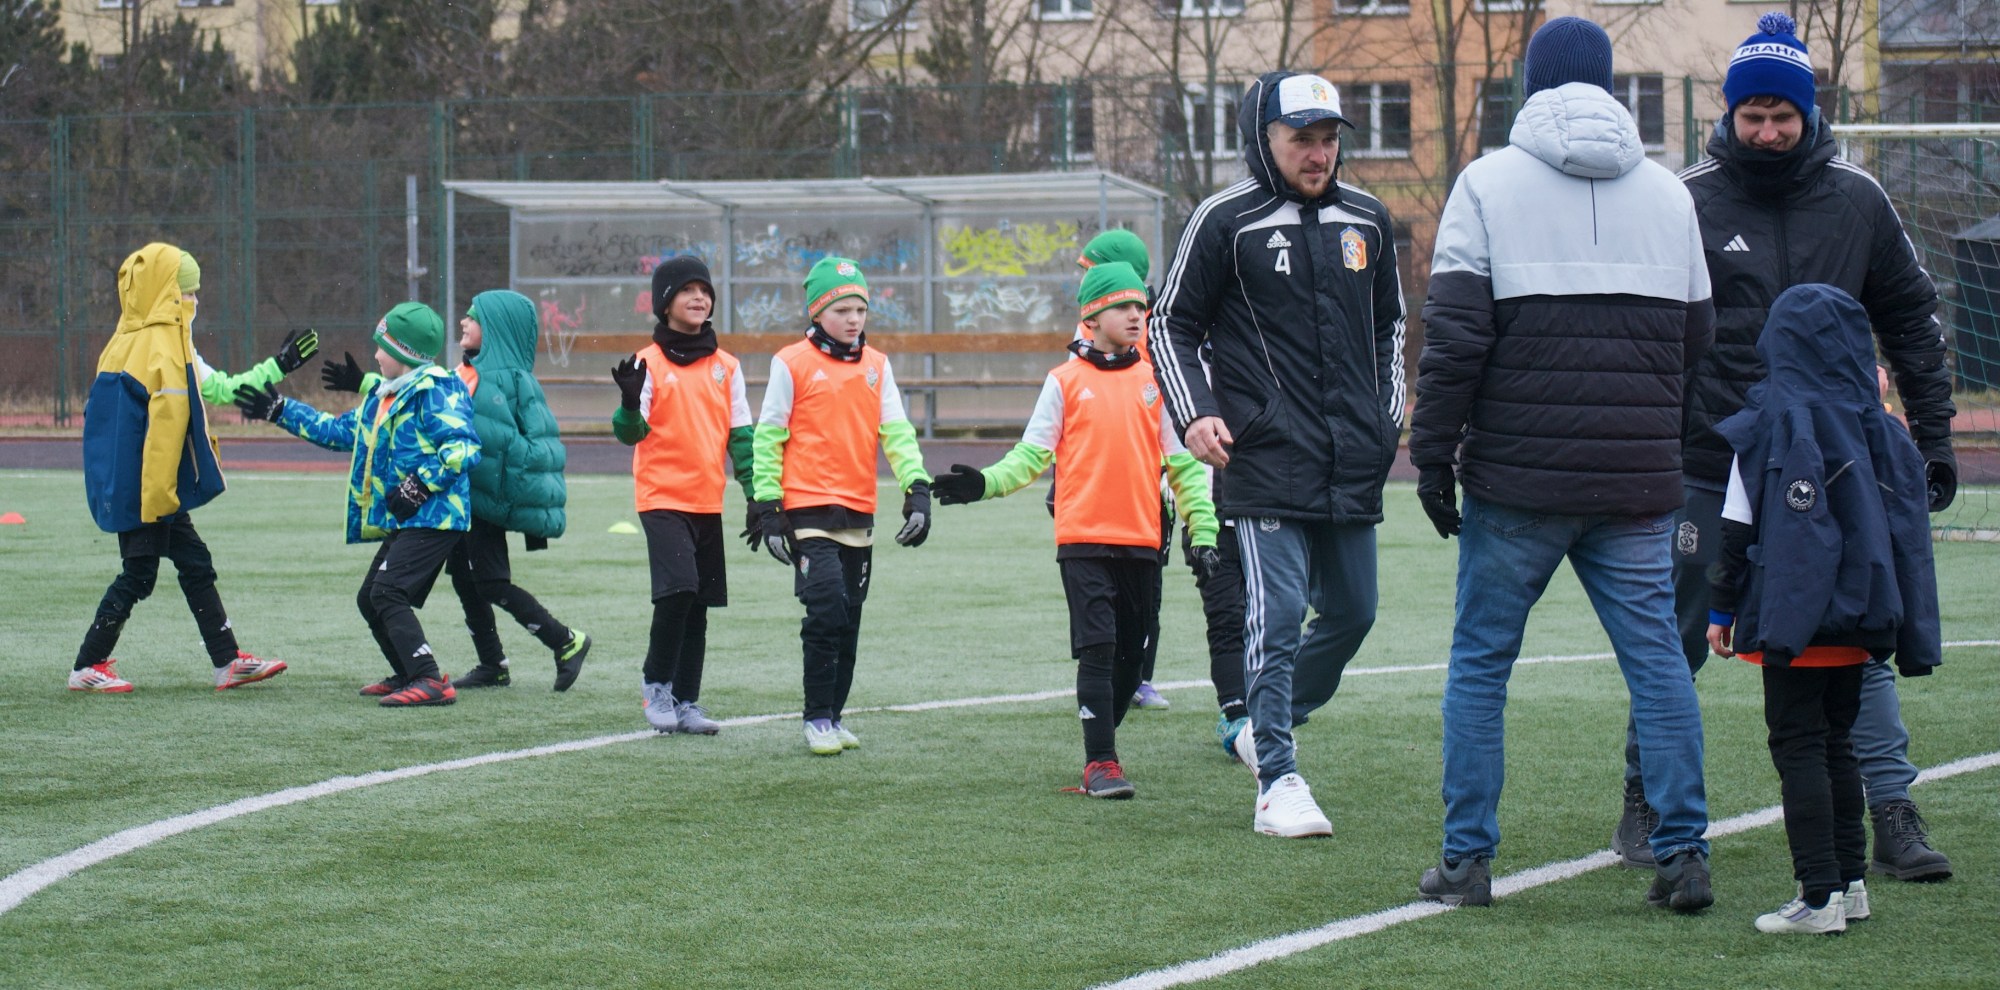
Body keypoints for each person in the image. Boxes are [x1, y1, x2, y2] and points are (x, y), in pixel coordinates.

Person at [1621, 11, 1959, 882]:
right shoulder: (1684, 199)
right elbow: (1645, 332)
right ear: (1728, 114)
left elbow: (1913, 324)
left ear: (1810, 114)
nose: (1768, 131)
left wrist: (1933, 438)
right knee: (1676, 636)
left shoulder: (1858, 199)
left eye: (1783, 116)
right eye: (1753, 116)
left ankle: (1892, 810)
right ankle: (1647, 796)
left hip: (1837, 465)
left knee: (1855, 626)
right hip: (1709, 460)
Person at [1407, 17, 1717, 911]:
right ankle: (1684, 854)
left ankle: (1467, 862)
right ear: (1609, 85)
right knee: (1657, 665)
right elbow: (1699, 341)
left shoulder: (1486, 183)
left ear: (1531, 84)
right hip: (1636, 483)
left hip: (1517, 481)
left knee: (1481, 668)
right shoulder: (1669, 194)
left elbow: (1455, 342)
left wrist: (1432, 456)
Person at [1149, 71, 1405, 837]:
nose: (1318, 153)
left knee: (1355, 612)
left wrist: (1386, 417)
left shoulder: (1368, 218)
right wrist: (1196, 413)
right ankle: (1278, 783)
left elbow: (1390, 326)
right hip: (1260, 456)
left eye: (1327, 139)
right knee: (1280, 612)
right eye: (1301, 139)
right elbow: (1169, 325)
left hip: (1350, 456)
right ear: (1262, 139)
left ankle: (1265, 724)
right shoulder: (1223, 219)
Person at [1705, 284, 1942, 934]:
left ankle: (1817, 896)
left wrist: (1720, 609)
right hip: (1864, 615)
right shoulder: (1881, 426)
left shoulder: (1768, 418)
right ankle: (1850, 884)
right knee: (1839, 743)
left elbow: (1736, 525)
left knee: (1799, 744)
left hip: (1795, 614)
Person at [934, 262, 1221, 798]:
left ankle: (1103, 737)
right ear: (1091, 316)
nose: (1136, 315)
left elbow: (1182, 467)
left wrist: (1202, 533)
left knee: (1131, 661)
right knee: (1099, 647)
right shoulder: (1063, 381)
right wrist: (984, 484)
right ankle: (1100, 762)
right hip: (1083, 540)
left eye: (1141, 307)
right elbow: (1030, 456)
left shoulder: (1156, 382)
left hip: (1142, 541)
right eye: (1123, 307)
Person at [73, 242, 312, 693]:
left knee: (195, 563)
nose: (195, 300)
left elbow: (220, 388)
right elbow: (161, 432)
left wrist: (277, 366)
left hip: (148, 486)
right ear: (167, 294)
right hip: (150, 490)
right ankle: (87, 665)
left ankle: (227, 661)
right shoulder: (163, 349)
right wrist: (160, 499)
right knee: (139, 574)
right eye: (188, 291)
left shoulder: (127, 341)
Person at [323, 291, 591, 693]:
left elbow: (534, 447)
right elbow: (416, 389)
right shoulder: (466, 373)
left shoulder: (509, 381)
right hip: (458, 499)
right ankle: (493, 664)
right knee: (468, 582)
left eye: (473, 317)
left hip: (480, 502)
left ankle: (565, 639)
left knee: (491, 582)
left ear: (497, 329)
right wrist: (362, 382)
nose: (463, 322)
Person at [235, 302, 480, 707]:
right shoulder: (385, 395)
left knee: (388, 593)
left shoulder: (438, 390)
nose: (376, 354)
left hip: (437, 518)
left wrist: (420, 484)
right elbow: (339, 432)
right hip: (410, 519)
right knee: (370, 598)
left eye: (383, 346)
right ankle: (407, 673)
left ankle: (428, 678)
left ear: (404, 352)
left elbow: (464, 447)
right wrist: (280, 410)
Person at [747, 256, 933, 755]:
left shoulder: (877, 366)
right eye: (842, 310)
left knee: (849, 618)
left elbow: (897, 432)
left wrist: (916, 488)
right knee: (826, 608)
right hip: (807, 512)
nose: (853, 320)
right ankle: (815, 718)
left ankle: (834, 715)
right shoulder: (790, 362)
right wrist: (769, 505)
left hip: (858, 511)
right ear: (817, 312)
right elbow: (769, 436)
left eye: (860, 310)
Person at [1074, 230, 1249, 742]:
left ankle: (1155, 679)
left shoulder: (1164, 329)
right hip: (1140, 482)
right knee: (1131, 592)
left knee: (1169, 589)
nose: (1086, 277)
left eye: (1091, 267)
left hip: (1186, 472)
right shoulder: (1098, 331)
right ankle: (1133, 683)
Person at [610, 256, 752, 735]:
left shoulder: (727, 366)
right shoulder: (646, 363)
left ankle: (687, 700)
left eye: (705, 290)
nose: (699, 298)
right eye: (688, 290)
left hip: (707, 501)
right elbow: (629, 434)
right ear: (665, 302)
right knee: (680, 589)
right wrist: (629, 402)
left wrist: (758, 497)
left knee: (699, 603)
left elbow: (742, 438)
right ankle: (656, 685)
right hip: (661, 497)